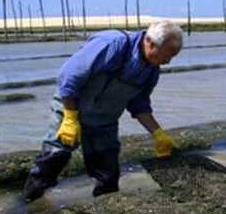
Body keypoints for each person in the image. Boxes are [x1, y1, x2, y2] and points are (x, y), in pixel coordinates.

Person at [23, 20, 183, 202]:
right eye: (167, 55)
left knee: (108, 176)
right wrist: (69, 118)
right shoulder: (113, 44)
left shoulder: (151, 71)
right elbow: (68, 76)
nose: (168, 61)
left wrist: (158, 133)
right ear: (150, 42)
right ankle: (26, 209)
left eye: (172, 57)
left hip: (104, 121)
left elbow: (139, 105)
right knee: (52, 161)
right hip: (71, 108)